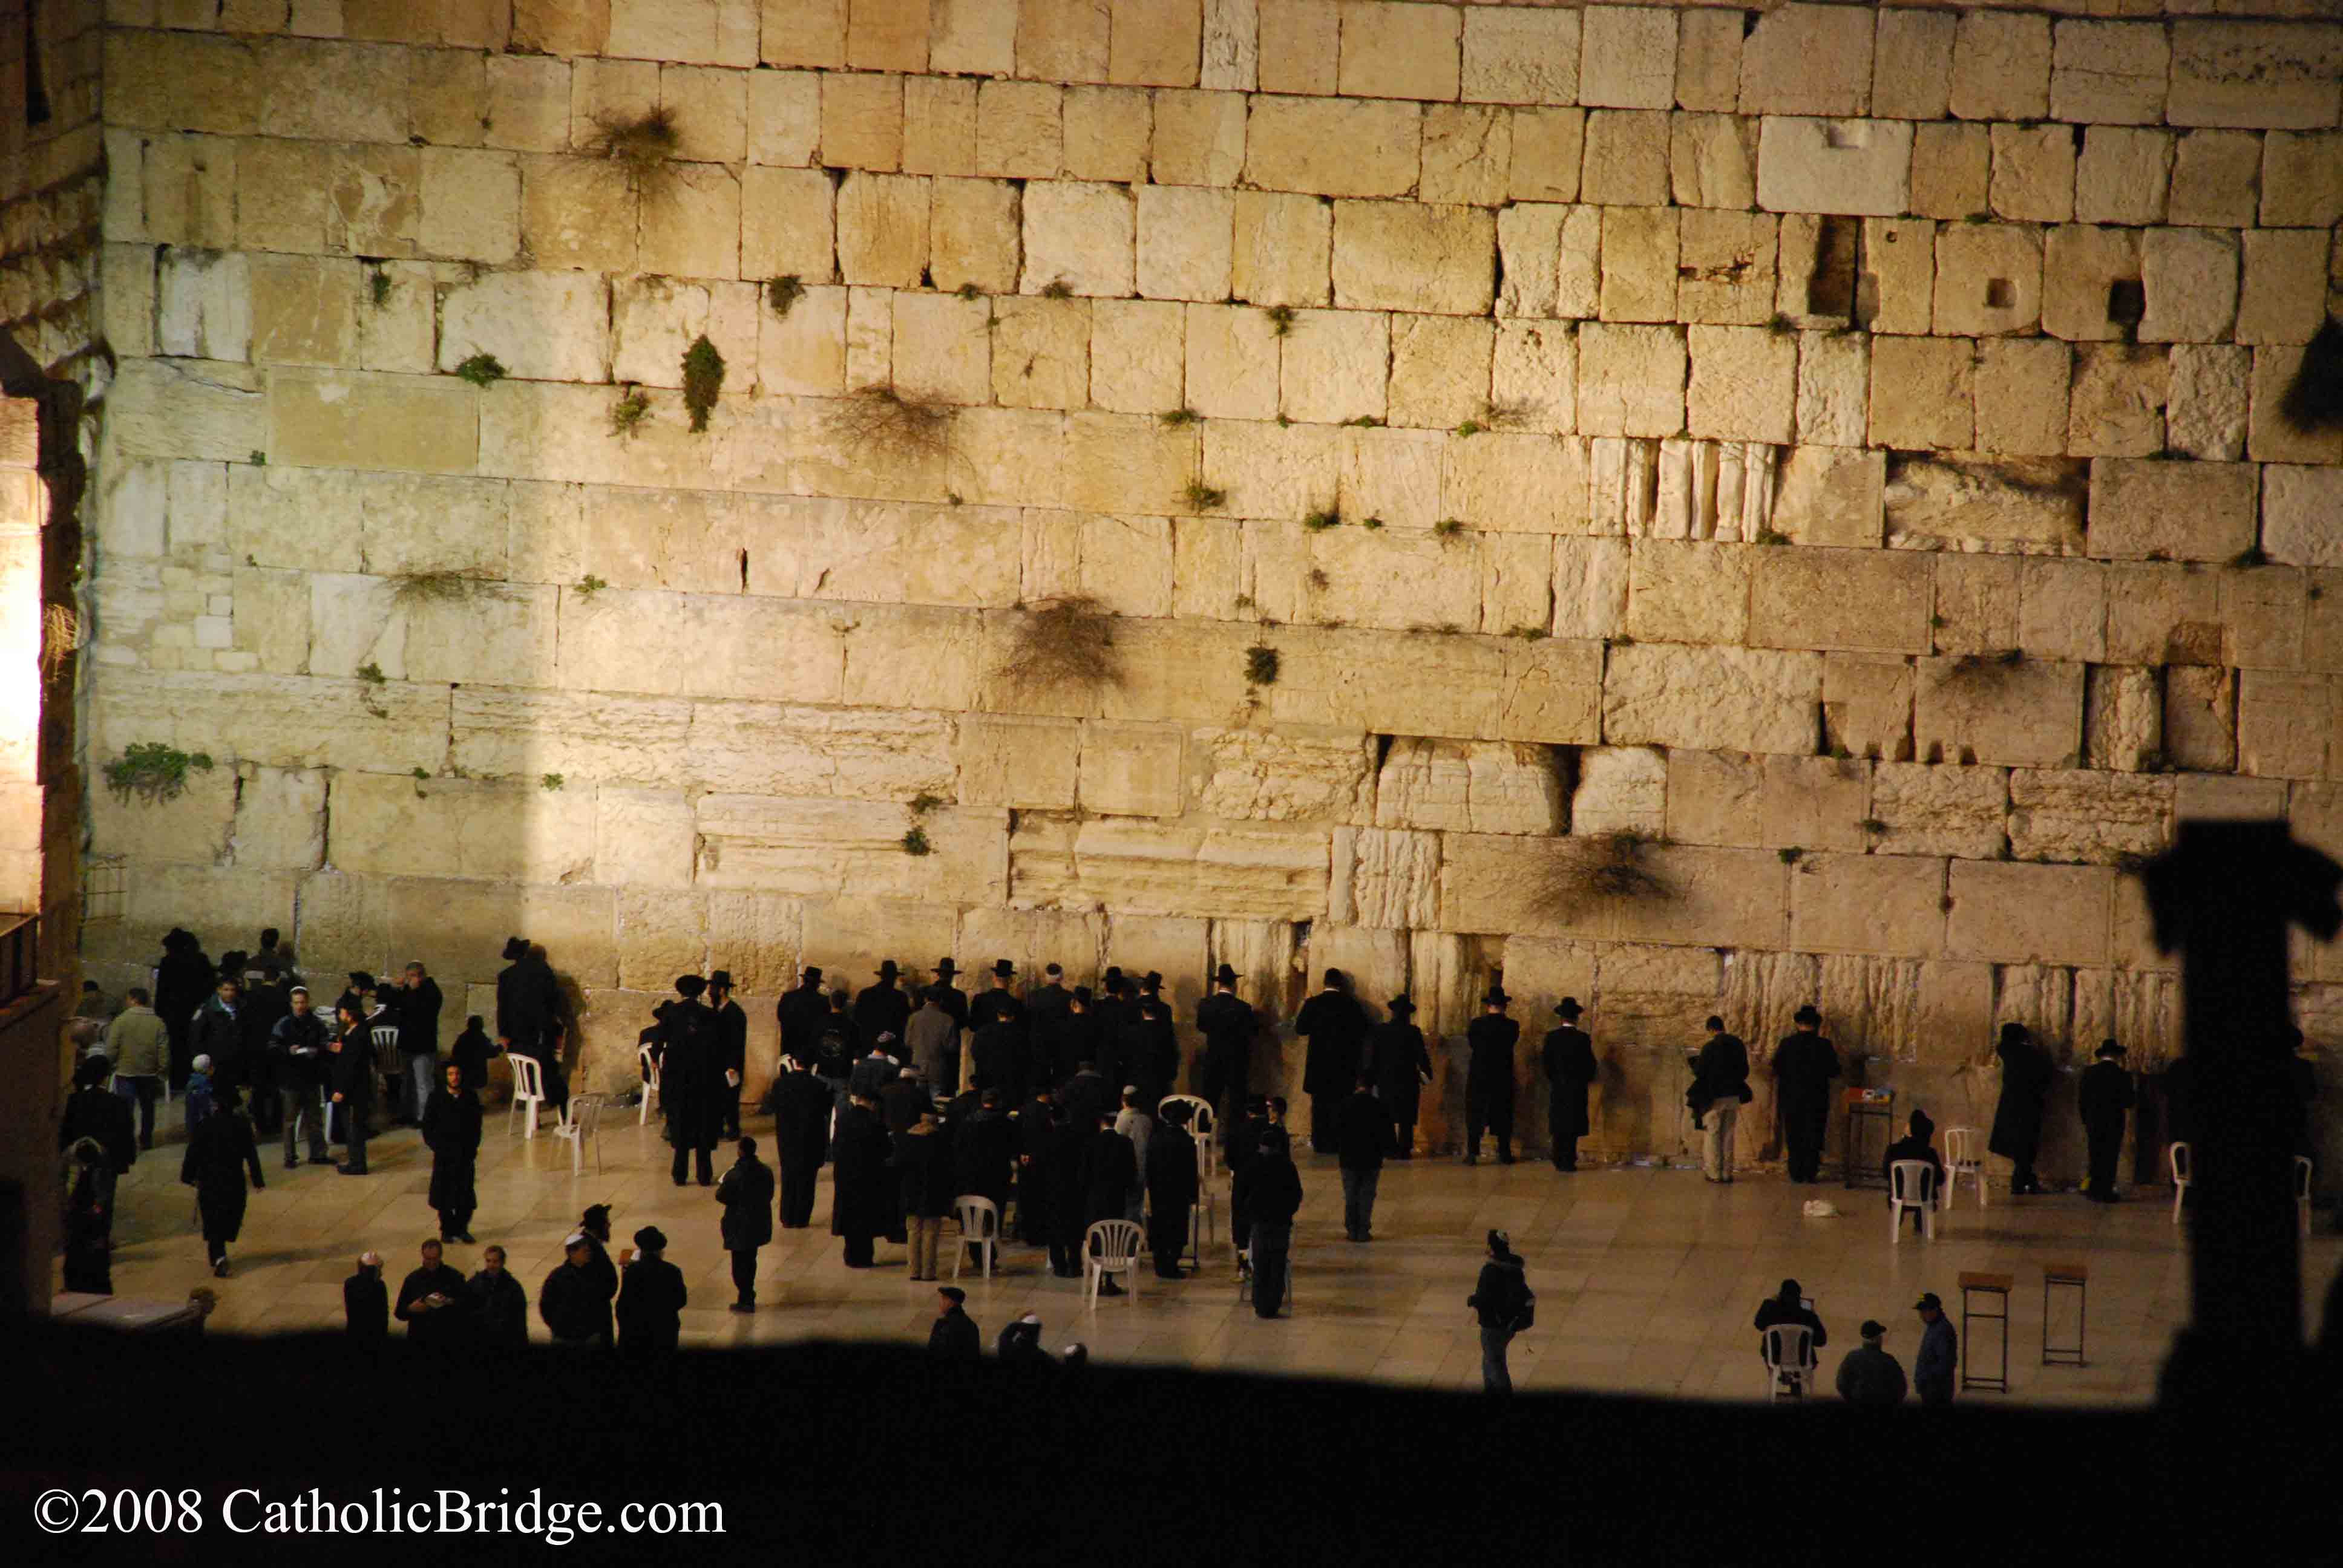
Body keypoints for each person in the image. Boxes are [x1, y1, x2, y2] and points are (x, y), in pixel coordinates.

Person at [181, 1086, 263, 1276]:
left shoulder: (204, 1125)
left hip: (209, 1180)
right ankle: (219, 1256)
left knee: (213, 1218)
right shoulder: (241, 1126)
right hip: (233, 1179)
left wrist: (188, 1176)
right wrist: (258, 1179)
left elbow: (193, 1153)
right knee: (230, 1216)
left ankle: (217, 1254)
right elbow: (251, 1154)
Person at [658, 975, 724, 1187]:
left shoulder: (671, 1014)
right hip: (704, 1079)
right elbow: (719, 1048)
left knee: (681, 1124)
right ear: (700, 992)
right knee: (703, 1124)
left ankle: (680, 1174)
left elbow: (659, 1042)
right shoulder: (710, 1015)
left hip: (678, 1080)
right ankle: (704, 1175)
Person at [1296, 970, 1371, 1154]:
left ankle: (1320, 1143)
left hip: (1318, 1066)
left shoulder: (1313, 1004)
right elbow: (1364, 1030)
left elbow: (1301, 1029)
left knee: (1319, 1106)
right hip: (1344, 1066)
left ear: (1325, 983)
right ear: (1342, 985)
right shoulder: (1351, 1005)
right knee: (1341, 1105)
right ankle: (1339, 1142)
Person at [496, 935, 569, 1114]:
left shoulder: (506, 976)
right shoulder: (544, 972)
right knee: (549, 1072)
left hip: (517, 1037)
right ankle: (562, 1111)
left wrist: (503, 1034)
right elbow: (554, 1001)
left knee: (526, 1072)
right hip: (541, 1035)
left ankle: (532, 1112)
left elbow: (502, 1008)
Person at [1234, 1126, 1302, 1317]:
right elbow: (1296, 1195)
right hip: (1281, 1222)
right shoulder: (1287, 1167)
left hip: (1259, 1222)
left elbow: (1240, 1196)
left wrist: (1247, 1217)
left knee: (1260, 1262)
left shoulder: (1251, 1166)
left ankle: (1260, 1303)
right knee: (1277, 1262)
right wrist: (1288, 1212)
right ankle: (1273, 1303)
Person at [1772, 1005, 1841, 1183]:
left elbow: (1777, 1068)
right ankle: (1810, 1172)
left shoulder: (1787, 1044)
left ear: (1797, 1023)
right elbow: (1835, 1071)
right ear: (1817, 1025)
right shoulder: (1824, 1045)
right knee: (1814, 1134)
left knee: (1794, 1134)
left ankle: (1796, 1172)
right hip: (1817, 1098)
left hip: (1791, 1098)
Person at [268, 986, 331, 1169]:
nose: (300, 1006)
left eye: (302, 1002)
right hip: (290, 1079)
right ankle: (290, 1157)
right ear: (291, 1004)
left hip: (311, 1077)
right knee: (290, 1120)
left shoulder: (317, 1023)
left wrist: (316, 1051)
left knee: (314, 1119)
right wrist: (288, 1051)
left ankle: (318, 1154)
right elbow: (272, 1047)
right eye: (296, 1003)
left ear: (307, 1002)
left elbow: (325, 1043)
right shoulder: (283, 1024)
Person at [1989, 1021, 2054, 1197]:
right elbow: (2047, 1075)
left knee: (2020, 1147)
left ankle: (2027, 1180)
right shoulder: (2031, 1054)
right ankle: (2020, 1183)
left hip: (2010, 1106)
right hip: (2029, 1106)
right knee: (2025, 1146)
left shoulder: (2007, 1052)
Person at [1077, 1111, 1139, 1295]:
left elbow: (1083, 1175)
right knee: (1113, 1237)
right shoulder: (1126, 1143)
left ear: (1101, 1123)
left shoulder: (1090, 1143)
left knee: (1096, 1236)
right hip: (1116, 1198)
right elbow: (1132, 1173)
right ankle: (1109, 1279)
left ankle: (1095, 1278)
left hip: (1094, 1199)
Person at [1467, 1229, 1534, 1396]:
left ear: (1492, 1247)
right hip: (1509, 1325)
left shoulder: (1490, 1270)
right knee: (1489, 1363)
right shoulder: (1515, 1269)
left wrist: (1472, 1300)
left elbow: (1486, 1298)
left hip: (1493, 1326)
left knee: (1496, 1366)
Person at [422, 1060, 482, 1243]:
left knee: (465, 1193)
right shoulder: (436, 1098)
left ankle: (462, 1229)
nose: (454, 1078)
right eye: (450, 1074)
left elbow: (476, 1126)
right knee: (444, 1194)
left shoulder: (470, 1097)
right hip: (444, 1155)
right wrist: (437, 1146)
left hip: (464, 1154)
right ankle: (447, 1230)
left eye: (457, 1074)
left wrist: (472, 1147)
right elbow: (428, 1126)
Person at [830, 1091, 892, 1268]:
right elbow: (885, 1150)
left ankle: (850, 1255)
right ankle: (864, 1257)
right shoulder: (875, 1122)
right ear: (872, 1104)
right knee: (865, 1219)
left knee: (849, 1216)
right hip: (868, 1177)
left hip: (845, 1175)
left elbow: (836, 1146)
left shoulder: (843, 1119)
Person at [893, 1108, 955, 1281]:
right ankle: (928, 1272)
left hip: (911, 1192)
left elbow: (898, 1165)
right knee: (930, 1233)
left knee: (913, 1231)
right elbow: (949, 1169)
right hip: (934, 1193)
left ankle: (914, 1271)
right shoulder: (941, 1141)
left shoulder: (907, 1140)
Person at [1334, 1071, 1397, 1242]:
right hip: (1372, 1158)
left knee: (1351, 1193)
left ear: (1357, 1085)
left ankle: (1351, 1228)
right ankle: (1363, 1229)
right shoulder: (1380, 1106)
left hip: (1349, 1157)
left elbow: (1336, 1130)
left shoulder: (1345, 1104)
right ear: (1373, 1087)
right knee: (1367, 1195)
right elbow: (1388, 1134)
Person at [1688, 1016, 1751, 1183]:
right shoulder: (1738, 1044)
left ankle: (1714, 1173)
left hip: (1714, 1097)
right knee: (1729, 1134)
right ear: (1723, 1027)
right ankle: (1727, 1173)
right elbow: (1745, 1071)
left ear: (1710, 1030)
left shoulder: (1710, 1047)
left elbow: (1700, 1072)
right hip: (1733, 1096)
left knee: (1713, 1134)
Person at [1194, 964, 1255, 1135]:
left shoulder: (1206, 1005)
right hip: (1236, 1061)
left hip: (1213, 1059)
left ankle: (1204, 1137)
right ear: (1234, 984)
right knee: (1236, 1103)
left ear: (1218, 984)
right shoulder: (1243, 1008)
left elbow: (1201, 1026)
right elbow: (1252, 1031)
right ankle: (1233, 1139)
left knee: (1209, 1100)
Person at [1369, 996, 1432, 1160]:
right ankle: (1404, 1150)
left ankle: (1389, 1148)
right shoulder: (1413, 1032)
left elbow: (1374, 1056)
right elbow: (1422, 1057)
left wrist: (1371, 1078)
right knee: (1406, 1117)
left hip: (1386, 1079)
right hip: (1408, 1080)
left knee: (1387, 1114)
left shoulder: (1381, 1031)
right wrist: (1427, 1075)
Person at [106, 988, 168, 1151]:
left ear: (133, 1000)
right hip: (149, 1073)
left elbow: (112, 1047)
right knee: (148, 1108)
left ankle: (126, 1142)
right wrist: (162, 1070)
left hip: (125, 1072)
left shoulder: (120, 1021)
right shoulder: (158, 1022)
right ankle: (146, 1141)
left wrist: (109, 1064)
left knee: (126, 1109)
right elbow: (163, 1049)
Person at [772, 1055, 830, 1229]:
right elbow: (825, 1110)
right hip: (810, 1139)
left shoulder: (780, 1084)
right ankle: (801, 1218)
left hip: (787, 1139)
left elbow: (772, 1106)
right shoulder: (819, 1086)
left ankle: (787, 1217)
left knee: (788, 1178)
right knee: (807, 1180)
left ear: (794, 1063)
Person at [1464, 988, 1519, 1165]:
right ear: (1505, 1006)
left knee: (1475, 1113)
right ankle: (1504, 1153)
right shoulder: (1512, 1026)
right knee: (1503, 1113)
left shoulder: (1476, 1025)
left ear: (1488, 1005)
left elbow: (1473, 1044)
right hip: (1502, 1075)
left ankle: (1472, 1153)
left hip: (1479, 1074)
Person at [615, 1226, 687, 1361]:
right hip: (664, 1330)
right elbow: (681, 1300)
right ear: (660, 1251)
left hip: (636, 1330)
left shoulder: (632, 1271)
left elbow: (624, 1303)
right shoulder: (672, 1271)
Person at [1542, 997, 1598, 1172]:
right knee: (1572, 1123)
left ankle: (1557, 1157)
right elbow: (1590, 1065)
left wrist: (1555, 1079)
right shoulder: (1583, 1039)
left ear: (1561, 1018)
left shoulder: (1552, 1037)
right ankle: (1569, 1160)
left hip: (1558, 1086)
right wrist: (1584, 1080)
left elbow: (1546, 1064)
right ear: (1577, 1018)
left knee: (1558, 1122)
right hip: (1576, 1088)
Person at [154, 927, 213, 1090]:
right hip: (195, 1012)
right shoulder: (201, 960)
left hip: (173, 1013)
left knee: (175, 1047)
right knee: (195, 1045)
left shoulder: (168, 962)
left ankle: (177, 1081)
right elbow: (209, 987)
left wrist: (160, 1012)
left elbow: (162, 991)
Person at [1146, 1100, 1200, 1278]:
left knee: (1159, 1226)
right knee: (1177, 1228)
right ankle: (1172, 1264)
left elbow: (1149, 1166)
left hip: (1158, 1190)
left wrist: (1150, 1187)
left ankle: (1160, 1264)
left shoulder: (1156, 1138)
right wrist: (1193, 1194)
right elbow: (1191, 1171)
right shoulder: (1187, 1141)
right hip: (1179, 1192)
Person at [2077, 1039, 2135, 1203]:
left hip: (2093, 1121)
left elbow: (2082, 1100)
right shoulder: (2123, 1075)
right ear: (2117, 1056)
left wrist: (2085, 1119)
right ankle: (2106, 1191)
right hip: (2114, 1121)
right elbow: (2129, 1102)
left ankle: (2094, 1190)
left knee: (2095, 1154)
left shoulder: (2089, 1072)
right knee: (2110, 1156)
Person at [60, 1055, 135, 1175]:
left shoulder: (75, 1100)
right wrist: (129, 1158)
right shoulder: (118, 1102)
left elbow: (67, 1130)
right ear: (106, 1078)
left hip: (80, 1158)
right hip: (109, 1161)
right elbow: (126, 1133)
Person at [540, 1232, 614, 1349]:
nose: (589, 1254)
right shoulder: (558, 1277)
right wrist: (559, 1327)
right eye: (585, 1251)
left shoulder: (594, 1275)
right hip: (565, 1338)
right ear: (572, 1253)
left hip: (590, 1336)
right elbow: (547, 1306)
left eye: (589, 1251)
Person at [188, 974, 252, 1110]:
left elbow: (247, 1034)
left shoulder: (242, 1007)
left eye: (232, 990)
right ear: (219, 990)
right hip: (215, 1064)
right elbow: (196, 1036)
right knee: (216, 1101)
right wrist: (204, 1062)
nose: (229, 993)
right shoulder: (207, 1009)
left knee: (233, 1102)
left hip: (236, 1063)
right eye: (226, 990)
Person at [61, 1137, 116, 1295]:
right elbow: (61, 1182)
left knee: (96, 1250)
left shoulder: (102, 1157)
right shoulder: (68, 1156)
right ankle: (75, 1284)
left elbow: (107, 1186)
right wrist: (66, 1204)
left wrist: (99, 1206)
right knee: (75, 1248)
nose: (85, 1167)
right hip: (76, 1208)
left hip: (93, 1209)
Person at [1753, 1279, 1828, 1393]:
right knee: (1800, 1348)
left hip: (1775, 1358)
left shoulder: (1771, 1310)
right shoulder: (1808, 1316)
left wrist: (1768, 1304)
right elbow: (1821, 1341)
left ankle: (1781, 1374)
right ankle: (1796, 1380)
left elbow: (1759, 1325)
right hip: (1803, 1360)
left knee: (1771, 1344)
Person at [393, 961, 444, 1127]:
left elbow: (421, 1012)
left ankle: (424, 1117)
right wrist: (400, 988)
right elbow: (400, 1005)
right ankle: (406, 1113)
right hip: (407, 1044)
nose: (410, 980)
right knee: (407, 1081)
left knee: (423, 1083)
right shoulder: (409, 990)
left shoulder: (432, 991)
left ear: (420, 976)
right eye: (408, 977)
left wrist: (413, 992)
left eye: (412, 977)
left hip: (423, 1046)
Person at [394, 1238, 470, 1347]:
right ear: (423, 1256)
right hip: (420, 1337)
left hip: (447, 1336)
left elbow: (466, 1305)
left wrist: (448, 1301)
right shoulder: (413, 1279)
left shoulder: (455, 1277)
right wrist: (411, 1309)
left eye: (435, 1259)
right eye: (428, 1259)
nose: (432, 1263)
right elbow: (399, 1313)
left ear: (441, 1256)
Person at [327, 1001, 375, 1174]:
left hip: (354, 1091)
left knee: (354, 1129)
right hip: (354, 1088)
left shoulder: (358, 1035)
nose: (340, 1016)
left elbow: (351, 1067)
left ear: (350, 1014)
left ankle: (358, 1164)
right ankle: (355, 1162)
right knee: (352, 1128)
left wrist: (341, 1090)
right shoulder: (355, 1033)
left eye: (341, 1012)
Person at [1882, 1109, 1946, 1232]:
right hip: (1925, 1199)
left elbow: (1885, 1174)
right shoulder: (1930, 1153)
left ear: (1910, 1130)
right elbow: (1940, 1179)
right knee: (1926, 1190)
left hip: (1899, 1197)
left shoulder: (1893, 1150)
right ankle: (1921, 1221)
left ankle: (1898, 1215)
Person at [706, 969, 747, 1140]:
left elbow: (737, 1042)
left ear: (722, 990)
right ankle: (717, 1128)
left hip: (730, 1064)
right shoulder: (715, 1011)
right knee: (717, 1098)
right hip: (716, 1063)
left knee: (730, 1098)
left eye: (713, 988)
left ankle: (733, 1129)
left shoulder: (735, 1013)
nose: (709, 992)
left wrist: (733, 1066)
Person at [1837, 1320, 1909, 1406]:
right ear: (1878, 1339)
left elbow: (1841, 1384)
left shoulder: (1852, 1357)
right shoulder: (1888, 1360)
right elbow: (1901, 1388)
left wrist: (1852, 1402)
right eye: (1880, 1335)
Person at [1113, 1088, 1154, 1223]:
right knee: (1137, 1204)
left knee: (1128, 1206)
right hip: (1143, 1165)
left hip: (1127, 1166)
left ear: (1123, 1101)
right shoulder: (1147, 1120)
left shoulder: (1121, 1120)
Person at [1913, 1292, 1958, 1405]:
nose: (1921, 1315)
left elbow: (1946, 1363)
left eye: (1924, 1311)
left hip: (1936, 1391)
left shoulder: (1942, 1331)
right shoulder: (1934, 1327)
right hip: (1931, 1389)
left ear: (1935, 1310)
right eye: (1921, 1312)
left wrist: (1926, 1379)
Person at [971, 958, 1023, 1035]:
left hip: (983, 1041)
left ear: (994, 978)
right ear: (1010, 980)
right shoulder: (1016, 1004)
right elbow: (1020, 1032)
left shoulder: (979, 999)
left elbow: (973, 1027)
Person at [345, 1252, 388, 1340]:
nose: (381, 1273)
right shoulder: (378, 1285)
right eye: (378, 1270)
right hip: (365, 1332)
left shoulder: (350, 1282)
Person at [929, 1285, 980, 1358]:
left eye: (943, 1299)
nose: (940, 1303)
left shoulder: (942, 1325)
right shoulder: (972, 1325)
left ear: (951, 1302)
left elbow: (933, 1351)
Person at [449, 1013, 493, 1094]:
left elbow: (454, 1053)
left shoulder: (462, 1037)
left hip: (463, 1075)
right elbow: (491, 1053)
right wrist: (501, 1047)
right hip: (477, 1077)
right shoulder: (481, 1037)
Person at [184, 1053, 216, 1132]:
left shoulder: (192, 1081)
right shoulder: (204, 1084)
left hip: (192, 1125)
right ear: (207, 1069)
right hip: (202, 1126)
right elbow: (206, 1106)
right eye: (211, 1066)